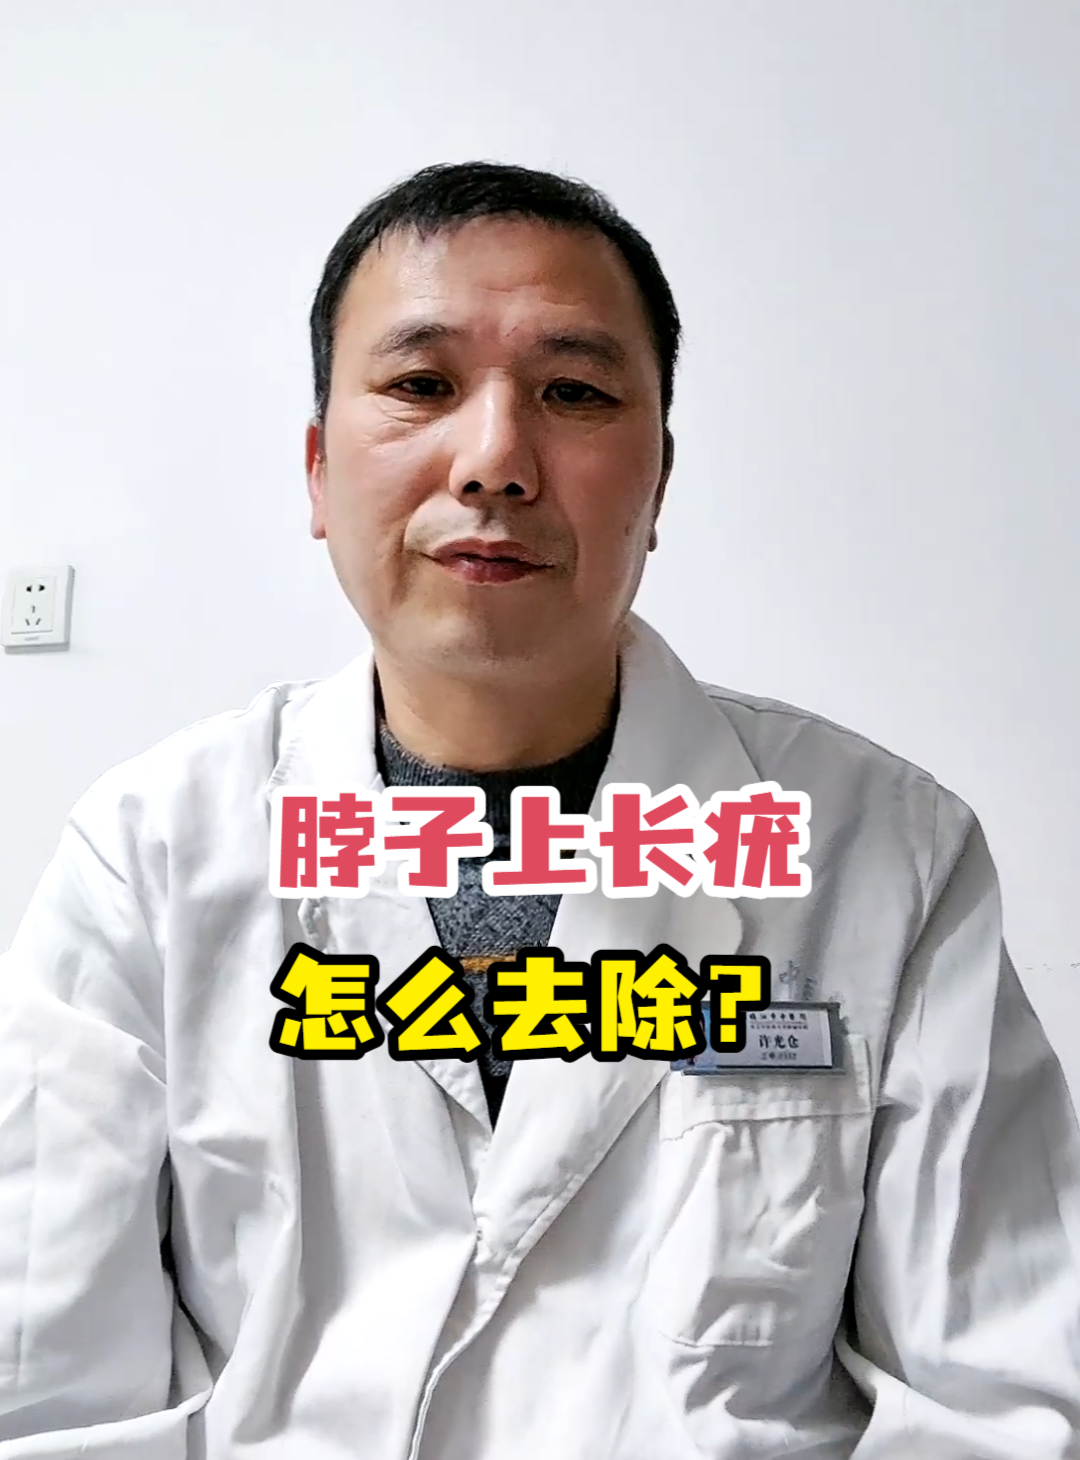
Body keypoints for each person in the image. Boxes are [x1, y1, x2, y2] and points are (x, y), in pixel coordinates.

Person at [1, 160, 1078, 1460]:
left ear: (659, 481)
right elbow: (55, 1400)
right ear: (318, 471)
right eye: (421, 385)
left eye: (574, 392)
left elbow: (996, 1398)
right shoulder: (150, 856)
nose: (496, 461)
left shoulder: (887, 857)